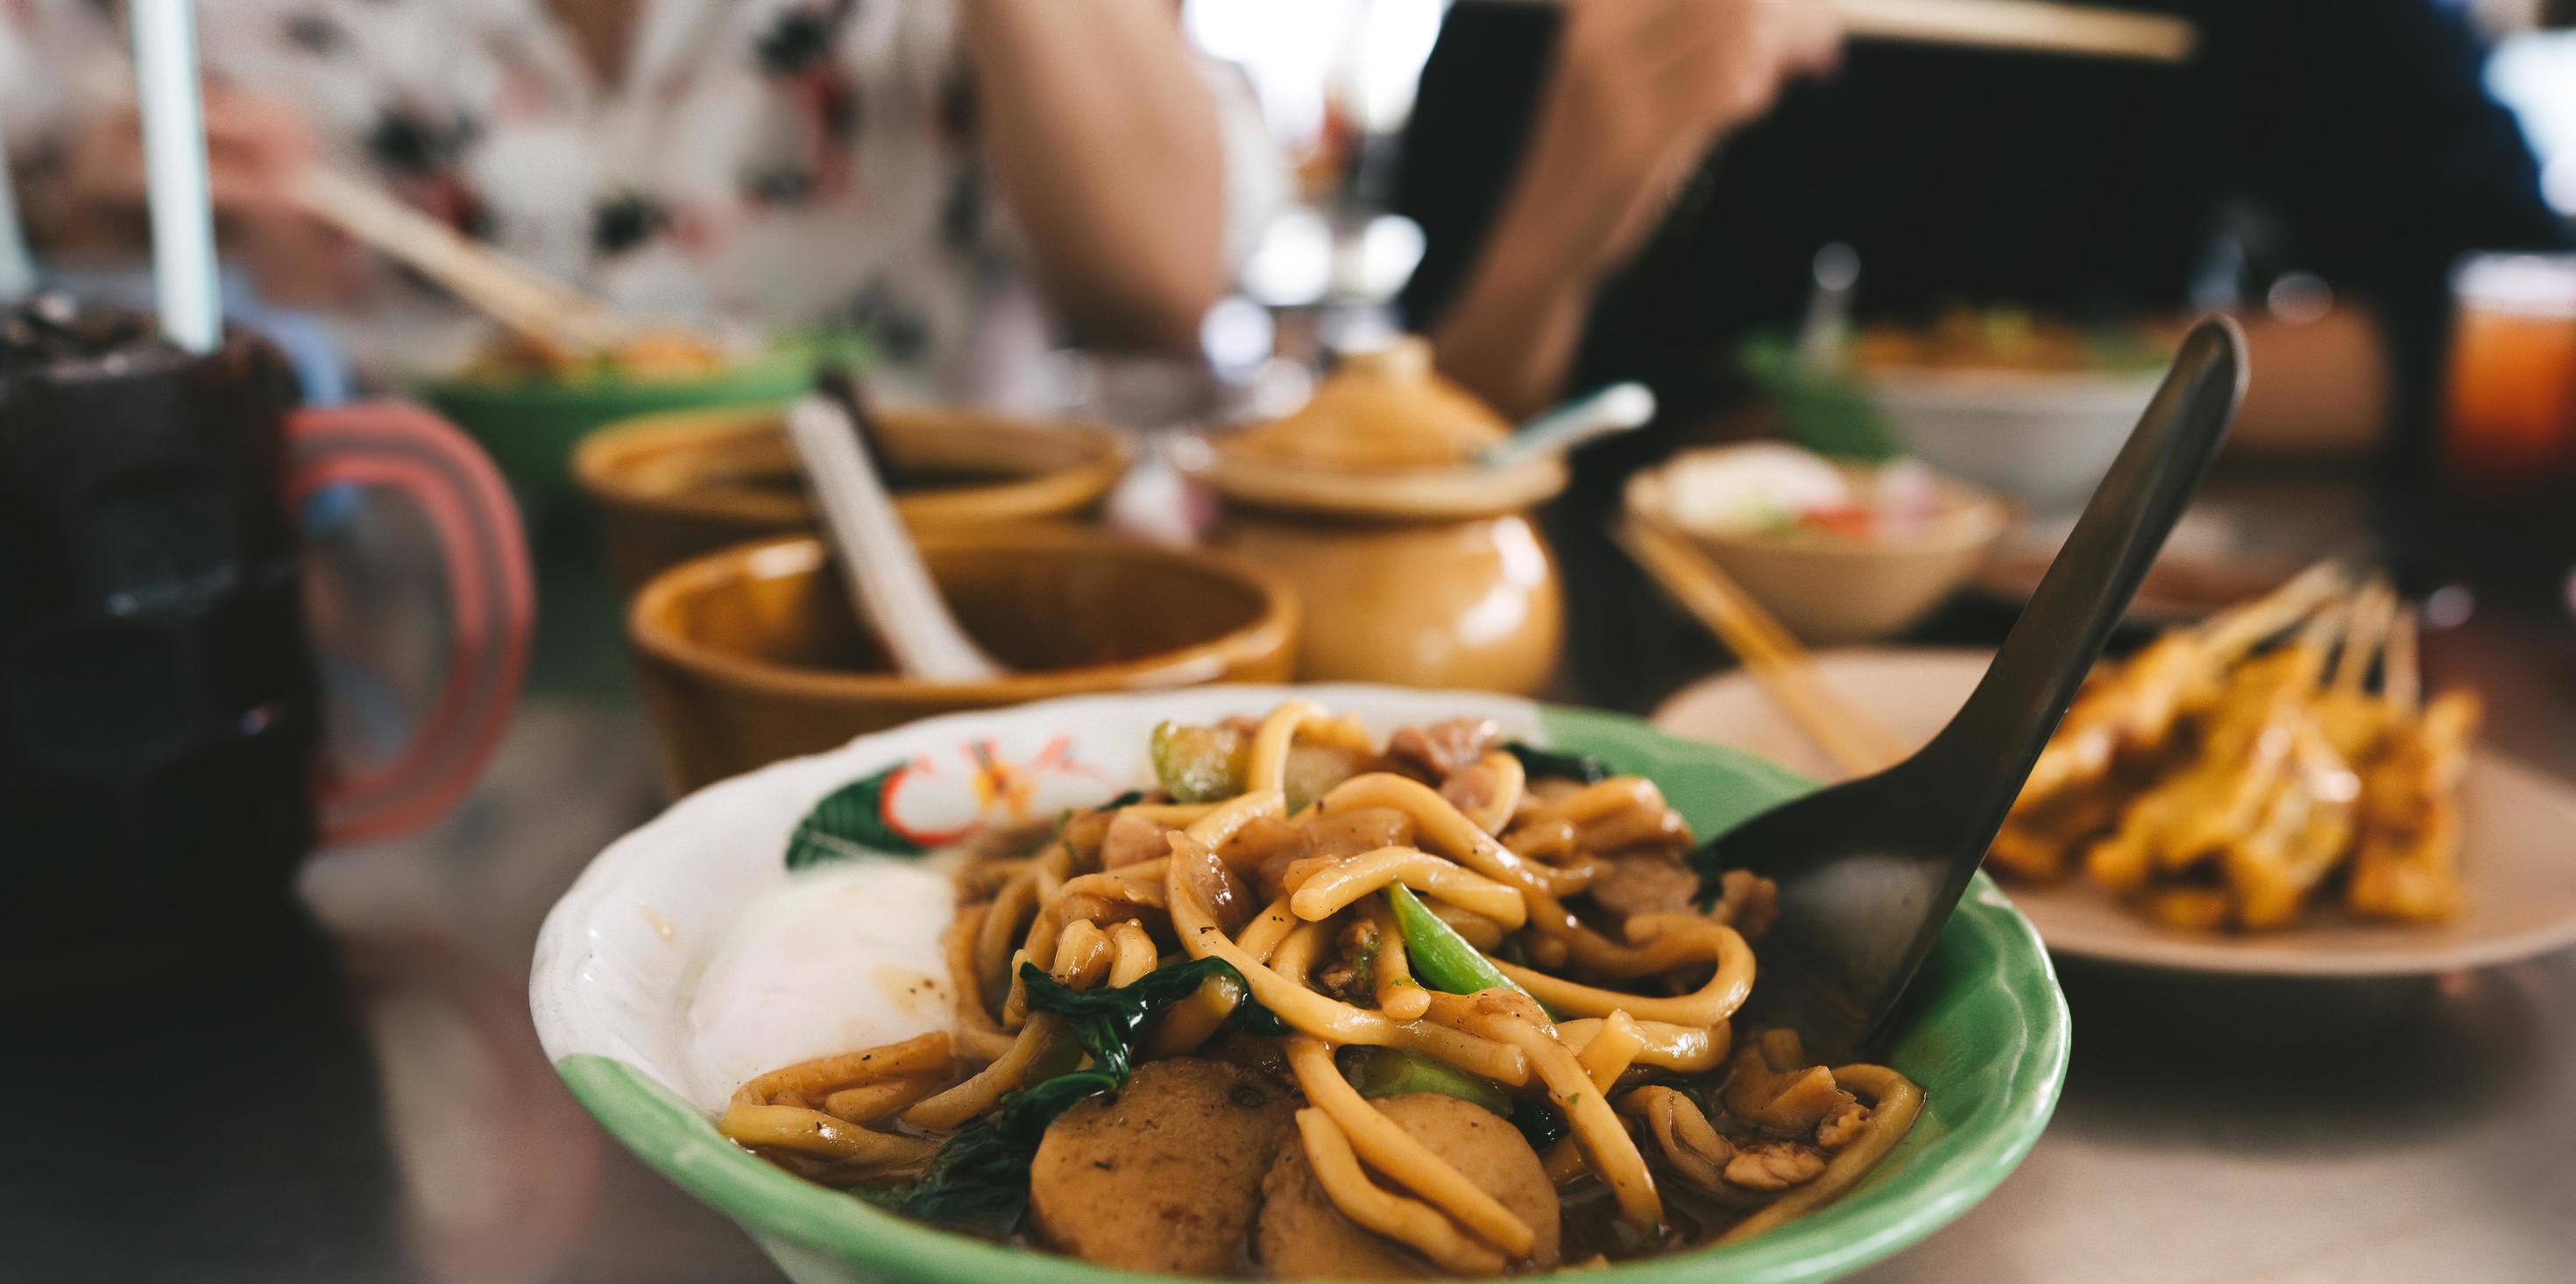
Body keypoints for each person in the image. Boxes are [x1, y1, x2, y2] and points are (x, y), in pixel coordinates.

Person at [1396, 0, 2566, 465]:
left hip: (2097, 629)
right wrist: (1567, 201)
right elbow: (1441, 427)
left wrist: (2002, 397)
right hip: (1637, 654)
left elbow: (2518, 317)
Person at [0, 0, 1280, 394]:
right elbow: (43, 182)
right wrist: (81, 222)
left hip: (908, 644)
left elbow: (1159, 286)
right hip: (407, 646)